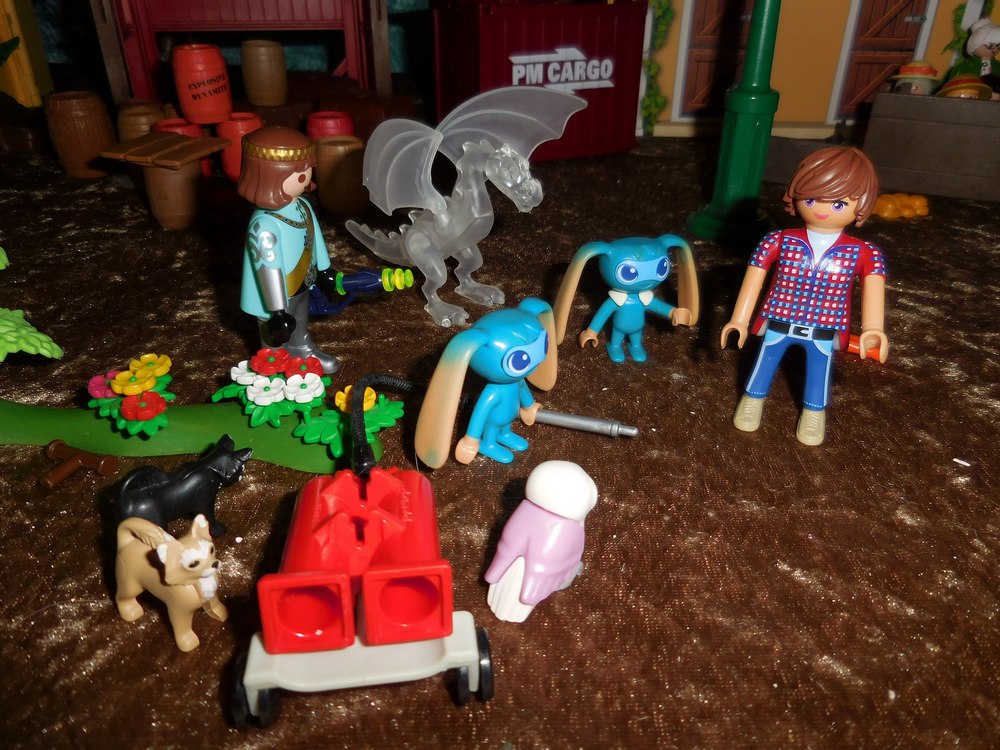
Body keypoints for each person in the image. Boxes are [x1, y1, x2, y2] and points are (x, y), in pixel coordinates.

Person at [720, 146, 889, 446]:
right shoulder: (778, 240)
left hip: (825, 326)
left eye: (839, 203)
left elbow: (874, 287)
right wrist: (739, 319)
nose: (822, 209)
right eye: (810, 199)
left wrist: (874, 328)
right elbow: (754, 276)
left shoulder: (864, 252)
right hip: (779, 318)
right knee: (764, 362)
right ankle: (752, 399)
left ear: (862, 204)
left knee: (819, 371)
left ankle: (814, 412)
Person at [238, 126, 339, 374]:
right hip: (274, 295)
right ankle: (272, 365)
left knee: (300, 321)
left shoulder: (303, 205)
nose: (305, 176)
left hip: (303, 281)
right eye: (298, 172)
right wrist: (277, 310)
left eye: (307, 169)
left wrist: (325, 268)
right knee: (275, 336)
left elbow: (315, 238)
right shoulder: (264, 224)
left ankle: (302, 348)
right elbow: (268, 268)